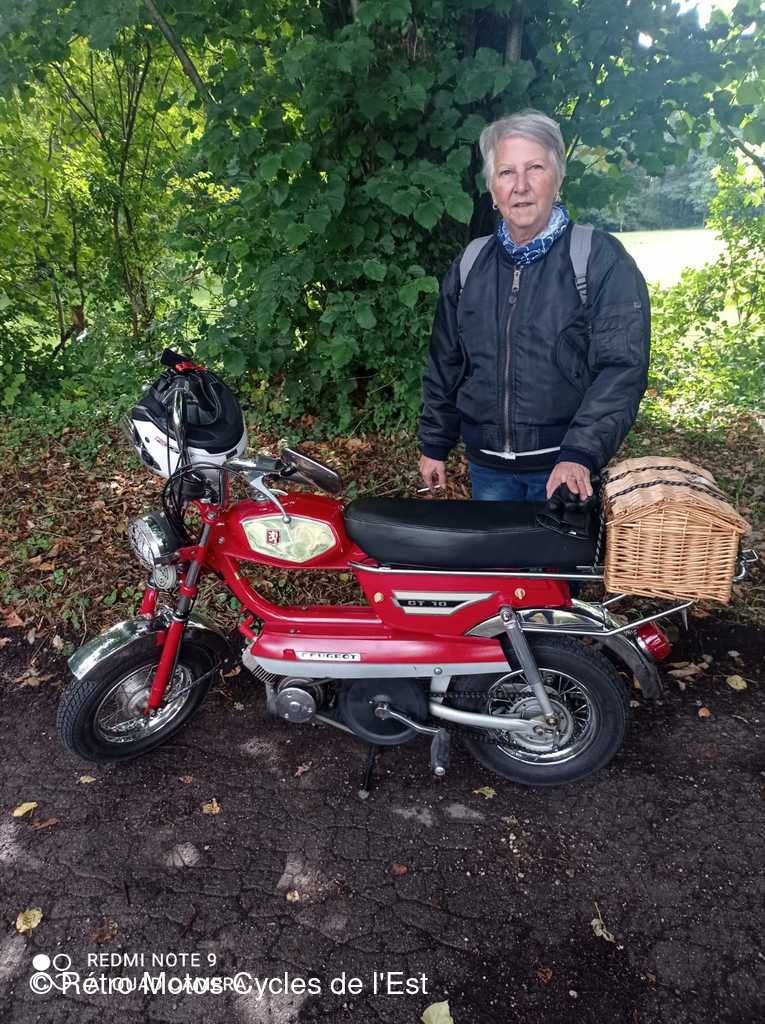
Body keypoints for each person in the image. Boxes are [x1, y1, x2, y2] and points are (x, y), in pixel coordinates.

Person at [417, 109, 650, 503]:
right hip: (487, 468)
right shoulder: (471, 263)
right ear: (493, 190)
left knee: (556, 549)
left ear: (557, 179)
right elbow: (445, 361)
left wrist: (580, 453)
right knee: (494, 547)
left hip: (563, 468)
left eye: (535, 168)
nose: (520, 186)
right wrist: (435, 442)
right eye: (507, 172)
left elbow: (622, 367)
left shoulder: (598, 258)